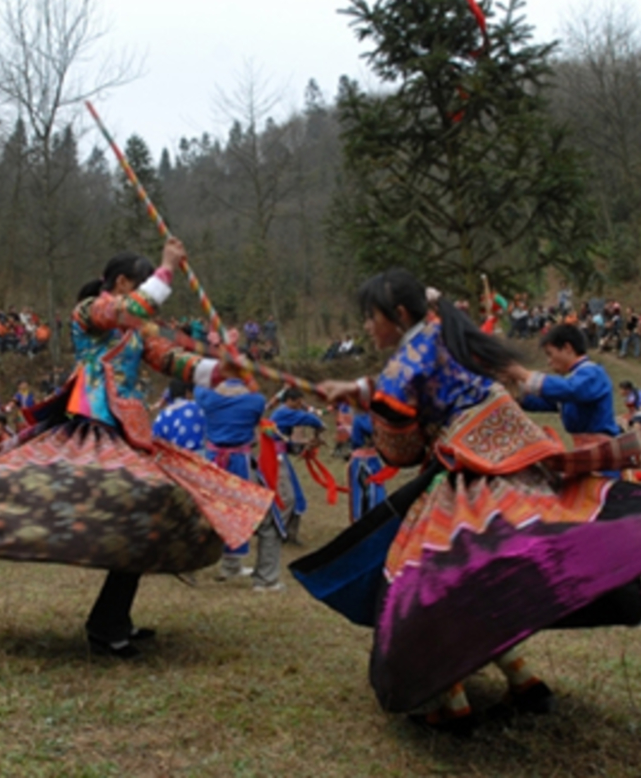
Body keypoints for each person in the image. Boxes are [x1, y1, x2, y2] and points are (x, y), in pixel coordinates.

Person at [0, 238, 273, 660]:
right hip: (88, 427)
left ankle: (111, 621)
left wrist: (220, 369)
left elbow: (173, 361)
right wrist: (167, 270)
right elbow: (127, 310)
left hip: (127, 434)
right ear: (122, 282)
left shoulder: (137, 330)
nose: (148, 299)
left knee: (145, 514)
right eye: (140, 285)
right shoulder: (90, 313)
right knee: (46, 490)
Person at [293, 268, 641, 733]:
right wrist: (364, 391)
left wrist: (368, 403)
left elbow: (400, 450)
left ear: (398, 315)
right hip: (522, 459)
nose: (365, 327)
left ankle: (450, 701)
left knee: (426, 583)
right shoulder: (450, 329)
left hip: (470, 475)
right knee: (502, 564)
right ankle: (523, 678)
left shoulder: (403, 367)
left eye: (370, 317)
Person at [196, 378, 285, 590]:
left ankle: (228, 566)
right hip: (239, 467)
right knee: (267, 522)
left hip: (211, 467)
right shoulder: (255, 401)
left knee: (208, 516)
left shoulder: (205, 396)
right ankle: (266, 579)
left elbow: (200, 380)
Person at [507, 324, 621, 444]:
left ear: (567, 348)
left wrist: (524, 375)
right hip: (585, 446)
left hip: (603, 447)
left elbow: (571, 389)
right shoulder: (574, 378)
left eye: (550, 354)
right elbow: (547, 401)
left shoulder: (594, 373)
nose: (549, 361)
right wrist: (516, 391)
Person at [269, 387, 325, 545]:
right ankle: (276, 533)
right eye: (298, 402)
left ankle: (289, 535)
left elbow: (285, 441)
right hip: (275, 458)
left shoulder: (285, 413)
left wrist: (305, 444)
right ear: (289, 401)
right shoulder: (283, 412)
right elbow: (311, 420)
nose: (300, 405)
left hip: (281, 455)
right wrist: (319, 427)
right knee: (288, 497)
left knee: (297, 497)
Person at [152, 379, 205, 451]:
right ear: (186, 393)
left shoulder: (163, 416)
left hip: (177, 456)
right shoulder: (198, 407)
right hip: (200, 454)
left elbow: (155, 440)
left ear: (170, 395)